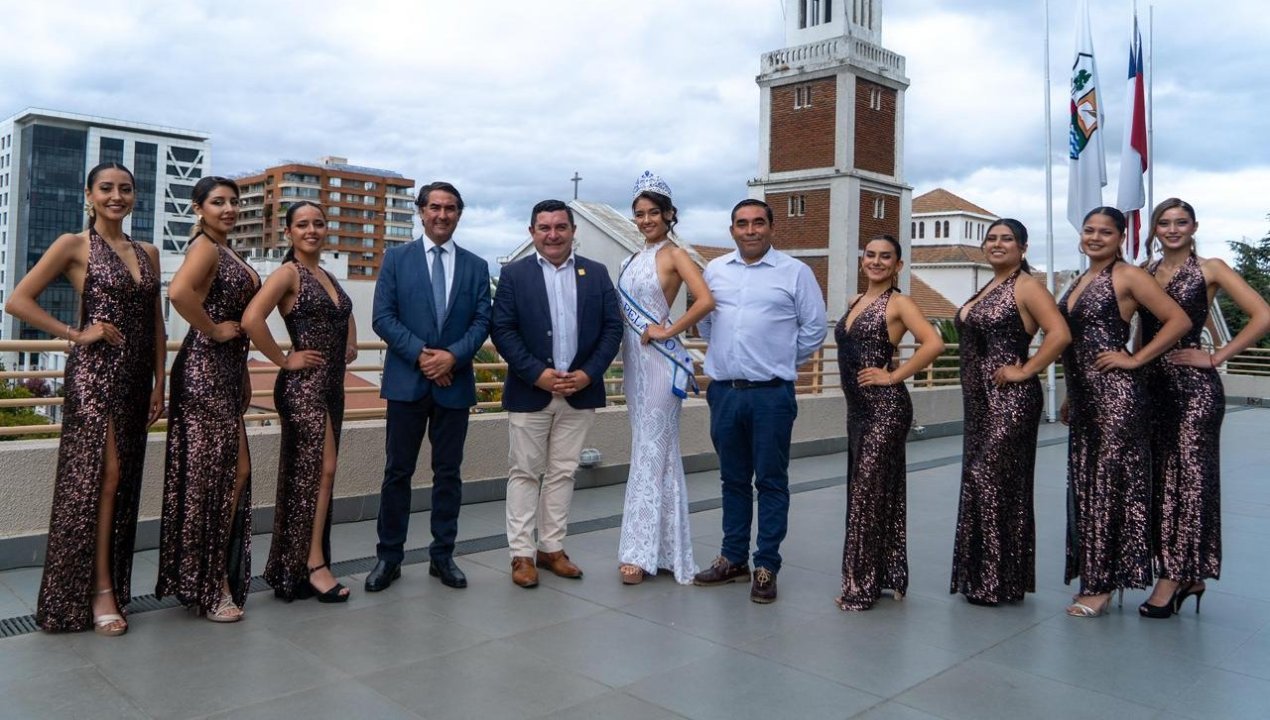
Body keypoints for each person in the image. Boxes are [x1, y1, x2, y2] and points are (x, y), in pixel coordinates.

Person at [5, 162, 165, 635]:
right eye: (106, 188)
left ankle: (108, 581)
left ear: (134, 196)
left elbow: (155, 322)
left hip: (136, 379)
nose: (117, 196)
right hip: (95, 375)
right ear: (89, 195)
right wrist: (76, 333)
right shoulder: (73, 245)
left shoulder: (148, 252)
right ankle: (99, 592)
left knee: (123, 482)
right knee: (105, 477)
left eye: (125, 189)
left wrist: (161, 381)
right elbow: (18, 300)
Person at [1137, 199, 1270, 618]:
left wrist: (1215, 356)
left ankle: (1174, 576)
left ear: (1194, 227)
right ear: (1155, 229)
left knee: (1190, 482)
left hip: (1195, 391)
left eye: (1181, 222)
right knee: (1161, 482)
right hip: (1152, 387)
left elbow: (1263, 315)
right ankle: (1187, 573)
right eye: (1165, 223)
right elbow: (1140, 333)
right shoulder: (1144, 272)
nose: (1173, 229)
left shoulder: (1211, 268)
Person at [1058, 206, 1190, 617]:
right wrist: (1070, 395)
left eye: (1105, 232)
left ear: (1120, 238)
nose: (1095, 237)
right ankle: (1099, 576)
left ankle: (1100, 585)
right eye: (1089, 230)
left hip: (1117, 399)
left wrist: (1135, 359)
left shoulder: (1129, 275)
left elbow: (1178, 320)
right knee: (1087, 488)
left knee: (1108, 490)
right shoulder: (1078, 279)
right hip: (1084, 400)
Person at [693, 198, 827, 603]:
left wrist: (779, 361)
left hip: (771, 395)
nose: (750, 230)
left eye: (757, 223)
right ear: (732, 230)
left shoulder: (795, 272)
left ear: (771, 227)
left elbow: (815, 328)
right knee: (732, 480)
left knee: (770, 481)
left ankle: (766, 565)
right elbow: (705, 322)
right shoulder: (715, 271)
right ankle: (733, 558)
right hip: (725, 393)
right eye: (742, 223)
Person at [490, 199, 622, 588]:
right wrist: (537, 374)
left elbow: (612, 328)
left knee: (563, 473)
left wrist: (588, 374)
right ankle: (521, 554)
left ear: (572, 231)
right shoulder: (514, 275)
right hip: (530, 392)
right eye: (544, 228)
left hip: (580, 392)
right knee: (525, 472)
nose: (553, 235)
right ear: (532, 232)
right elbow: (503, 330)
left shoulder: (595, 273)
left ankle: (551, 548)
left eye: (560, 227)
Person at [367, 182, 491, 591]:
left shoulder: (476, 266)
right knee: (397, 473)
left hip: (454, 384)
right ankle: (389, 558)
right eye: (434, 207)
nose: (442, 215)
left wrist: (451, 357)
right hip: (407, 383)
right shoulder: (396, 259)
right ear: (421, 211)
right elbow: (383, 317)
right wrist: (423, 356)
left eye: (450, 208)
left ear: (459, 214)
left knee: (448, 474)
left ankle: (443, 556)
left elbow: (482, 321)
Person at [948, 220, 1070, 606]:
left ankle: (994, 579)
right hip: (979, 402)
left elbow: (1060, 334)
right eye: (991, 239)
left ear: (1023, 247)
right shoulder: (988, 286)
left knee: (987, 476)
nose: (997, 244)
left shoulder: (1027, 285)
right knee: (993, 483)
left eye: (1007, 239)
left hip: (1010, 399)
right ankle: (998, 579)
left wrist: (1027, 369)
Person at [242, 201, 356, 602]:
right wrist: (283, 359)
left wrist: (350, 343)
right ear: (288, 232)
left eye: (318, 223)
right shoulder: (288, 273)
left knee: (312, 475)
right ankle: (313, 564)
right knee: (322, 470)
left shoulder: (326, 274)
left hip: (332, 387)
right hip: (303, 387)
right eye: (303, 224)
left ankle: (292, 568)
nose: (312, 230)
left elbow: (343, 313)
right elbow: (252, 318)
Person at [156, 176, 260, 622]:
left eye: (234, 201)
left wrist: (242, 372)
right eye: (218, 202)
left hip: (224, 374)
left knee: (231, 474)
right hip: (203, 373)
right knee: (217, 477)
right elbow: (178, 293)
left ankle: (207, 576)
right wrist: (214, 330)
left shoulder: (225, 249)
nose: (229, 208)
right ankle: (211, 584)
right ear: (198, 208)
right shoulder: (205, 247)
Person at [834, 235, 944, 611]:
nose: (876, 262)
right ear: (862, 260)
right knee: (876, 492)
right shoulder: (854, 301)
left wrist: (893, 376)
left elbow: (933, 343)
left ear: (898, 265)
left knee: (866, 495)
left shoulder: (899, 303)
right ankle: (888, 574)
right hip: (858, 411)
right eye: (870, 255)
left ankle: (860, 586)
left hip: (885, 410)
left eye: (886, 257)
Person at [617, 172, 716, 585]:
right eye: (639, 214)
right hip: (633, 363)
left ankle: (638, 553)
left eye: (653, 213)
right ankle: (664, 549)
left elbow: (706, 300)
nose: (645, 220)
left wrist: (668, 330)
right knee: (652, 451)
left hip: (659, 362)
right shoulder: (629, 259)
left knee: (651, 452)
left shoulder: (676, 255)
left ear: (669, 214)